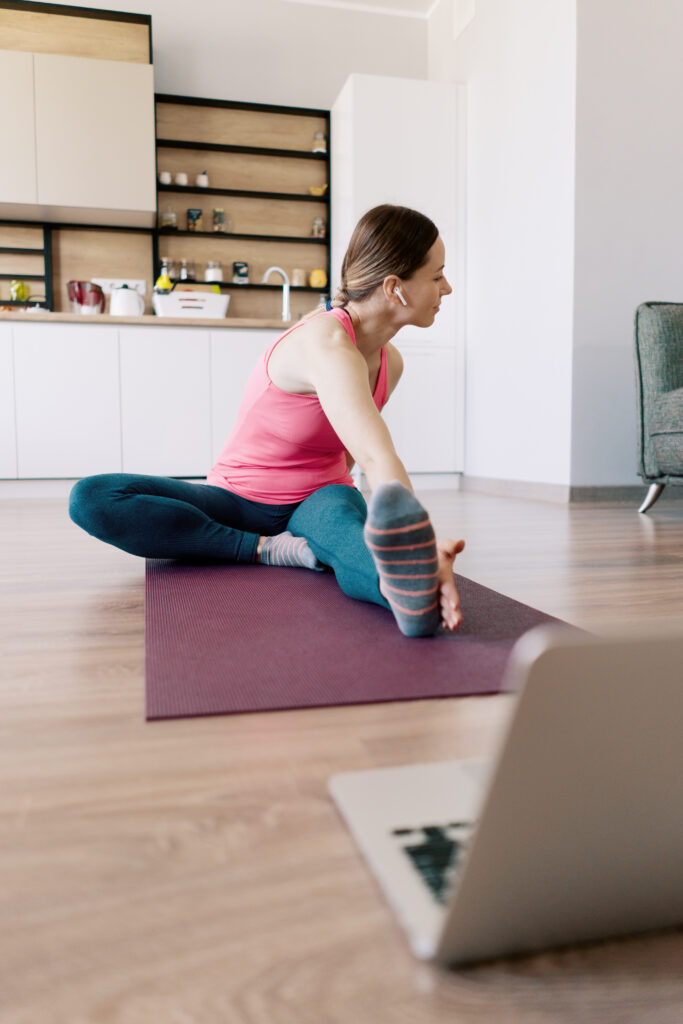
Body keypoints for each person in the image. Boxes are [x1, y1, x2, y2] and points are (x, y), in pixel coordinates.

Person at [69, 204, 465, 637]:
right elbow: (375, 455)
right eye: (437, 275)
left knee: (350, 539)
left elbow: (352, 453)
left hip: (320, 497)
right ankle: (262, 549)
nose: (447, 287)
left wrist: (418, 553)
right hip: (236, 499)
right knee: (91, 498)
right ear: (395, 288)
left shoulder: (391, 362)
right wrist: (421, 537)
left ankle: (409, 591)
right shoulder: (325, 343)